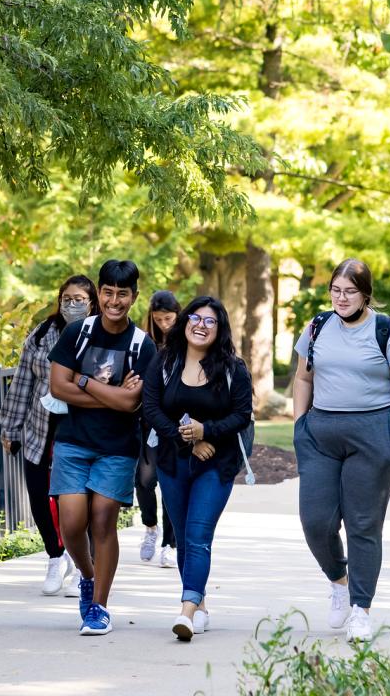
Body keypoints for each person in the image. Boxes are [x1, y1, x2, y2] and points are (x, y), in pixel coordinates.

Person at [290, 259, 390, 643]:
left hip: (373, 435)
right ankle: (339, 582)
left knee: (363, 525)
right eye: (335, 290)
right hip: (321, 434)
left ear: (365, 294)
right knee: (316, 521)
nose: (341, 298)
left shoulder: (387, 330)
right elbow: (302, 377)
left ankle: (360, 609)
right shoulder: (317, 327)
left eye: (350, 291)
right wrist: (300, 425)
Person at [47, 259, 157, 636]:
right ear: (100, 294)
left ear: (133, 297)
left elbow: (132, 404)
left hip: (116, 448)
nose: (114, 300)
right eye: (107, 292)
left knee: (103, 519)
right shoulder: (78, 333)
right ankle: (88, 575)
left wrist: (84, 382)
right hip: (73, 443)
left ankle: (99, 607)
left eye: (122, 294)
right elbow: (57, 387)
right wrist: (111, 394)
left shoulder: (143, 345)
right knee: (72, 524)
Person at [141, 295, 252, 641]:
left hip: (215, 466)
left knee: (198, 535)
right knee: (185, 541)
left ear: (220, 330)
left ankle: (186, 610)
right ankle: (200, 604)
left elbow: (241, 415)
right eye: (195, 318)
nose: (200, 325)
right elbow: (151, 408)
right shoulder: (165, 362)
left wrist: (208, 432)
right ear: (184, 321)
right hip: (173, 462)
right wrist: (187, 438)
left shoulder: (233, 369)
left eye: (210, 321)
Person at [0, 275, 96, 596]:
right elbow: (22, 384)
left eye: (80, 299)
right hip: (41, 430)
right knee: (40, 497)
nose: (73, 304)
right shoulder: (41, 336)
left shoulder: (100, 335)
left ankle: (81, 564)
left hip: (82, 431)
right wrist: (10, 428)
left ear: (92, 302)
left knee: (78, 501)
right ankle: (55, 557)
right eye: (67, 298)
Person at [137, 290, 180, 567]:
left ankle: (170, 543)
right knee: (144, 480)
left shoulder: (186, 341)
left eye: (168, 318)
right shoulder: (146, 344)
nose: (164, 324)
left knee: (171, 483)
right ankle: (151, 527)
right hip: (148, 421)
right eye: (158, 319)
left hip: (176, 422)